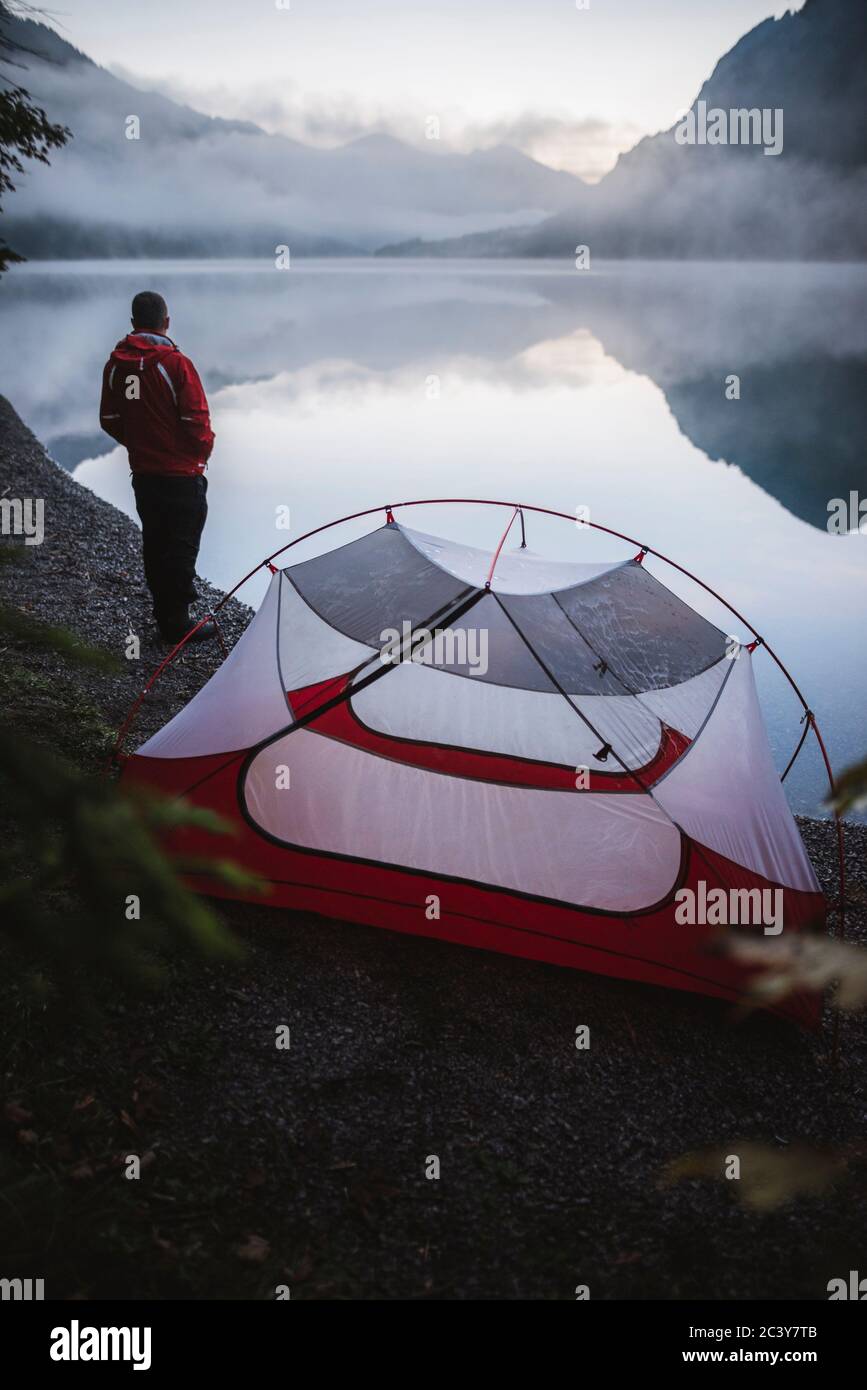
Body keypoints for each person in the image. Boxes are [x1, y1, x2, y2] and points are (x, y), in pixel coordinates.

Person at [99, 291, 218, 643]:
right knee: (182, 545)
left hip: (145, 474)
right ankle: (177, 622)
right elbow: (196, 420)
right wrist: (202, 452)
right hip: (181, 474)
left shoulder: (115, 366)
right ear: (166, 322)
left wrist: (140, 444)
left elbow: (109, 419)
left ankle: (165, 613)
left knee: (155, 540)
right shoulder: (176, 365)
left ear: (134, 323)